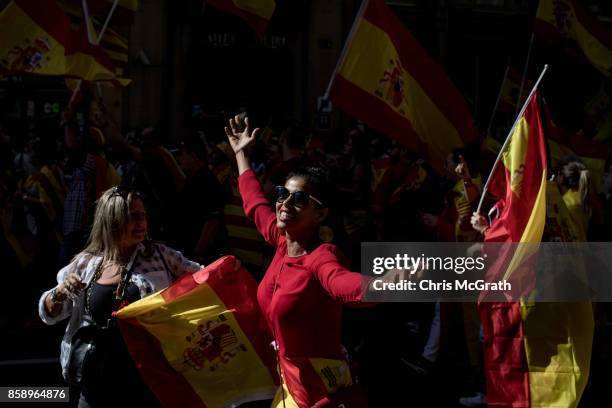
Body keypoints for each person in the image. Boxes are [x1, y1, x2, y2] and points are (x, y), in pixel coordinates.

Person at [224, 115, 370, 408]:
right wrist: (241, 155)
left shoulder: (320, 258)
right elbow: (254, 203)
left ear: (321, 214)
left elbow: (345, 284)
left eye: (300, 199)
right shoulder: (281, 242)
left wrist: (387, 285)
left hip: (317, 391)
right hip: (288, 383)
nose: (285, 204)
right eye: (282, 194)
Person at [38, 186, 202, 407]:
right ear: (112, 220)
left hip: (148, 382)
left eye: (143, 215)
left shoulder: (161, 256)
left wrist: (228, 272)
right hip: (96, 382)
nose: (141, 222)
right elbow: (50, 314)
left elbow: (203, 279)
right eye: (133, 216)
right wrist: (58, 294)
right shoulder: (87, 263)